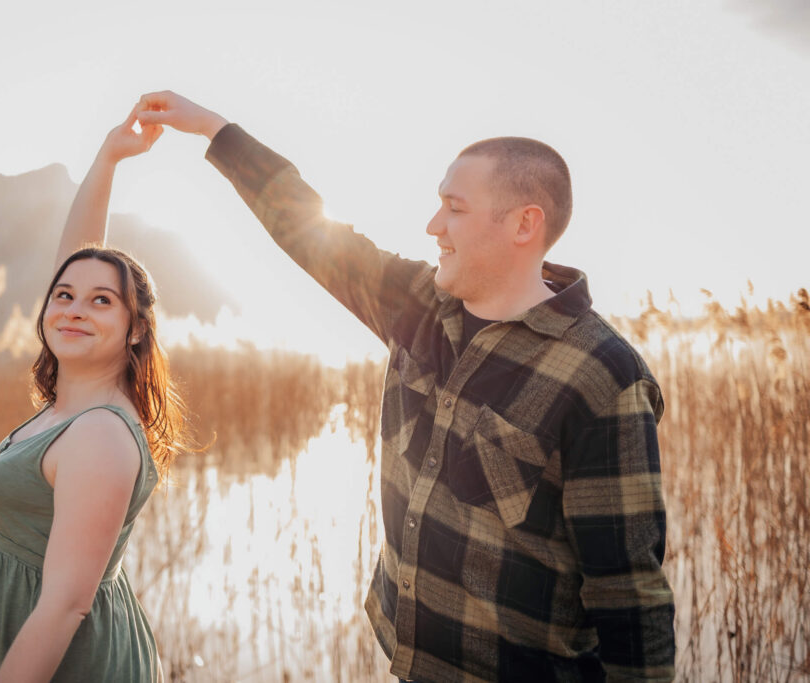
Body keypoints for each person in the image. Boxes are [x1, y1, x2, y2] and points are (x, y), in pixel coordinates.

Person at [136, 91, 676, 682]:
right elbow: (303, 223)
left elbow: (628, 593)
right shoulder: (417, 304)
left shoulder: (602, 374)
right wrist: (215, 129)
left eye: (455, 208)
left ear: (525, 223)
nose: (433, 226)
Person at [0, 108, 182, 682]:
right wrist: (108, 159)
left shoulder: (100, 436)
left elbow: (65, 605)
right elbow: (80, 256)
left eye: (101, 302)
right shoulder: (71, 409)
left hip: (52, 654)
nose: (74, 309)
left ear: (137, 328)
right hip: (1, 621)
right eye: (63, 295)